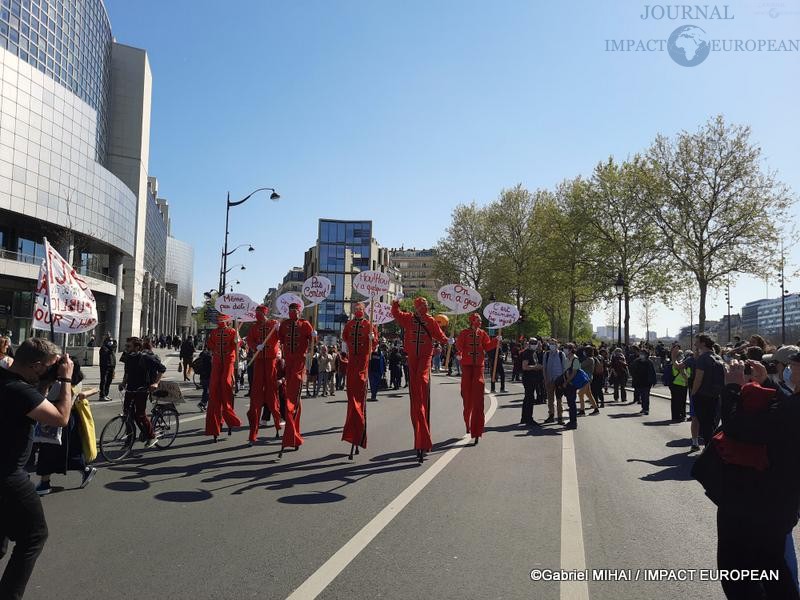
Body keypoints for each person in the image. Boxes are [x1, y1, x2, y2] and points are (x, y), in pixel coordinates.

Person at [701, 357, 800, 600]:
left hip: (758, 503)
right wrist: (767, 382)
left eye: (795, 363)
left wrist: (732, 387)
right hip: (775, 502)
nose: (789, 366)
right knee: (772, 566)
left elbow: (739, 428)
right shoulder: (793, 404)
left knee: (740, 571)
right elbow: (784, 411)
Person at [0, 338, 74, 599]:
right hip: (8, 474)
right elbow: (61, 418)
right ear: (35, 365)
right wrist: (65, 381)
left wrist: (46, 381)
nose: (54, 370)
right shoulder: (20, 391)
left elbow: (32, 405)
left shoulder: (9, 381)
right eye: (50, 366)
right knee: (34, 536)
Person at [391, 297, 449, 463]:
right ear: (416, 307)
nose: (423, 307)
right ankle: (418, 390)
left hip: (425, 355)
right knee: (415, 385)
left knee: (422, 379)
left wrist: (447, 340)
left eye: (424, 304)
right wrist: (396, 302)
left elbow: (439, 334)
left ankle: (421, 385)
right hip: (412, 357)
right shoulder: (409, 318)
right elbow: (395, 313)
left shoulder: (431, 320)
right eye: (420, 305)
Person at [33, 362, 97, 496]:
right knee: (68, 450)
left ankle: (45, 483)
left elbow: (44, 399)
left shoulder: (60, 385)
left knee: (49, 450)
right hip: (69, 418)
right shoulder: (76, 382)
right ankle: (84, 470)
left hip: (56, 418)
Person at [455, 312, 498, 444]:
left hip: (478, 367)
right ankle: (467, 423)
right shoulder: (464, 333)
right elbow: (459, 346)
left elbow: (488, 346)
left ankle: (477, 429)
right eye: (477, 320)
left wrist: (497, 340)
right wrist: (459, 354)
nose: (479, 322)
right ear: (471, 321)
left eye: (480, 320)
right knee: (467, 398)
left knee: (478, 399)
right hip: (467, 367)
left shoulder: (483, 333)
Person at [277, 303, 314, 456]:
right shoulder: (284, 325)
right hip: (288, 364)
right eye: (291, 310)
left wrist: (314, 337)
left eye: (296, 311)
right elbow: (278, 340)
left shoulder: (305, 324)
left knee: (293, 401)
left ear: (300, 311)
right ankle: (291, 433)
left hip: (299, 365)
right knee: (287, 399)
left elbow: (312, 345)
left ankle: (293, 434)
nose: (294, 313)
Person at [341, 303, 376, 456]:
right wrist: (343, 352)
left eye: (360, 310)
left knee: (359, 401)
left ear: (364, 311)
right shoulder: (349, 325)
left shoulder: (370, 325)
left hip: (363, 364)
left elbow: (374, 346)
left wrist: (373, 339)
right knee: (351, 399)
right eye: (356, 310)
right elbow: (344, 339)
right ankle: (351, 432)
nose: (358, 312)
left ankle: (359, 435)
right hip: (351, 364)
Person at [118, 337, 166, 447]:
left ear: (137, 347)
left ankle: (151, 436)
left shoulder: (145, 358)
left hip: (142, 390)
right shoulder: (128, 357)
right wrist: (123, 383)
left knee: (140, 414)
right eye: (126, 346)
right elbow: (127, 372)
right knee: (127, 414)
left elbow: (162, 369)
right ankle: (130, 439)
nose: (126, 348)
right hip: (130, 389)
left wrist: (156, 383)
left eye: (128, 346)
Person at [245, 305, 281, 444]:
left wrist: (279, 329)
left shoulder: (273, 324)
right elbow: (249, 340)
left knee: (272, 394)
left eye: (259, 312)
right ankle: (253, 432)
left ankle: (278, 423)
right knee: (256, 397)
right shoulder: (254, 327)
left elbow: (281, 337)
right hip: (259, 361)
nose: (257, 315)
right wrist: (255, 347)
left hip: (271, 361)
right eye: (256, 312)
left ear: (265, 313)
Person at [205, 315, 242, 442]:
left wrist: (238, 341)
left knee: (226, 382)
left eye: (222, 320)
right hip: (217, 362)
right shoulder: (214, 332)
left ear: (227, 321)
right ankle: (215, 423)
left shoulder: (232, 331)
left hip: (228, 362)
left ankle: (229, 415)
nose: (220, 322)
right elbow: (210, 345)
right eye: (218, 320)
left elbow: (238, 344)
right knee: (214, 386)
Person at [691, 334, 725, 446]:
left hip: (702, 395)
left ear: (703, 343)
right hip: (715, 395)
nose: (695, 344)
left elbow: (698, 379)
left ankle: (708, 450)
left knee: (705, 426)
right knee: (712, 424)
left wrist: (693, 393)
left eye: (697, 341)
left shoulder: (703, 358)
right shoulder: (719, 358)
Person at [519, 338, 544, 426]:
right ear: (529, 343)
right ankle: (528, 418)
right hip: (528, 378)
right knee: (529, 398)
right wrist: (536, 367)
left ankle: (524, 418)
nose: (534, 344)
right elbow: (525, 367)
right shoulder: (527, 353)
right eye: (532, 343)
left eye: (535, 343)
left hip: (532, 378)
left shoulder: (534, 352)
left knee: (528, 398)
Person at [543, 340, 567, 424]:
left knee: (559, 399)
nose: (552, 345)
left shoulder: (561, 354)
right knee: (550, 399)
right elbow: (544, 368)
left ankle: (560, 417)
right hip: (550, 379)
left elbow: (565, 368)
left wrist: (564, 381)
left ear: (557, 345)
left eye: (553, 344)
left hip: (559, 380)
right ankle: (551, 415)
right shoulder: (546, 354)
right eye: (550, 344)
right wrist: (545, 379)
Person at [630, 347, 657, 415]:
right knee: (642, 395)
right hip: (639, 381)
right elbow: (632, 370)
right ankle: (643, 408)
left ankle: (646, 409)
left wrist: (653, 381)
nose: (641, 355)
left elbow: (653, 372)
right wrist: (634, 377)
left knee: (646, 396)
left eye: (643, 354)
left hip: (647, 381)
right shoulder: (636, 361)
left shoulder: (649, 362)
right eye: (641, 353)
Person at [192, 345, 212, 411]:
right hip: (208, 376)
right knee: (207, 391)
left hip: (202, 376)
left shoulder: (203, 355)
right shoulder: (210, 357)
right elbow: (211, 368)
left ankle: (204, 405)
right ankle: (202, 403)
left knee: (205, 390)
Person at [98, 334, 116, 401]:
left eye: (111, 341)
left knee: (109, 381)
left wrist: (114, 367)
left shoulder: (111, 349)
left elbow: (113, 355)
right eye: (109, 341)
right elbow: (108, 353)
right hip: (105, 367)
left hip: (111, 366)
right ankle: (102, 395)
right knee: (104, 381)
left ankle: (106, 394)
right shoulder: (104, 348)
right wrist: (113, 343)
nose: (111, 342)